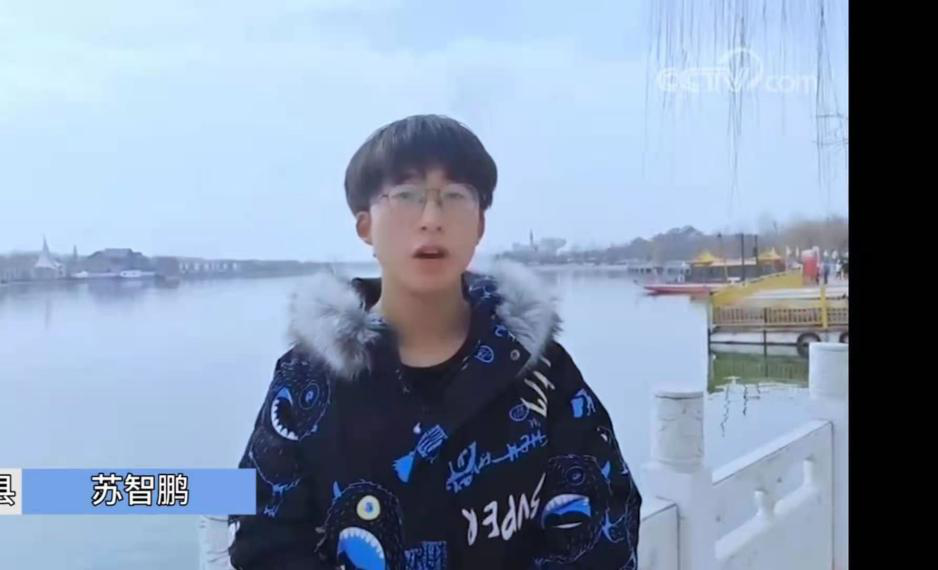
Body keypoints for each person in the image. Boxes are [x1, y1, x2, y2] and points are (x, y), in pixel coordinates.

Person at [228, 115, 641, 569]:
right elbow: (262, 535)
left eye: (455, 196)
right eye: (406, 195)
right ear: (365, 226)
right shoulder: (306, 379)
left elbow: (604, 517)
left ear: (479, 224)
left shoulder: (538, 369)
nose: (431, 219)